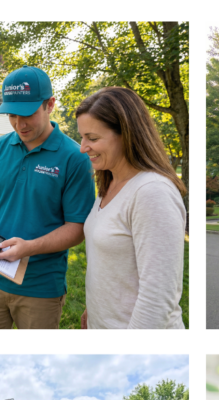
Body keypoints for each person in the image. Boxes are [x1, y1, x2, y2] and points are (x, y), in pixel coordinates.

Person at [0, 65, 94, 329]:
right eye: (11, 115)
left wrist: (29, 248)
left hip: (40, 287)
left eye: (28, 114)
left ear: (50, 104)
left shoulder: (75, 157)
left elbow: (77, 228)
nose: (19, 124)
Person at [75, 87, 187, 329]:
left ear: (126, 134)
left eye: (92, 138)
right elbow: (113, 268)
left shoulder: (151, 192)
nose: (83, 147)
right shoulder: (110, 183)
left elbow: (158, 298)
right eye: (82, 137)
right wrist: (94, 312)